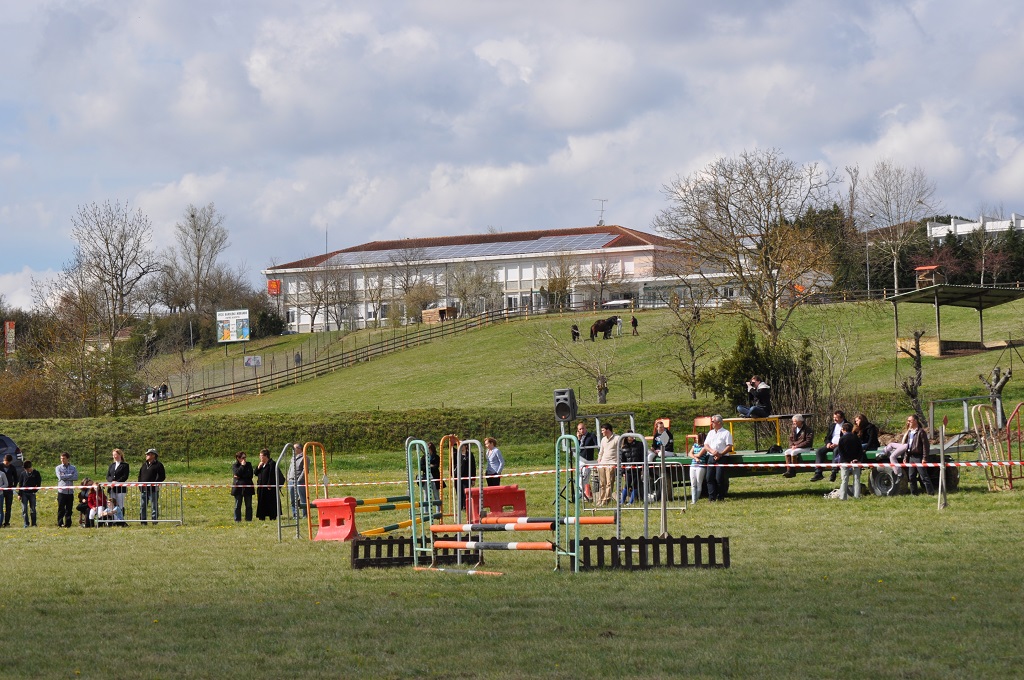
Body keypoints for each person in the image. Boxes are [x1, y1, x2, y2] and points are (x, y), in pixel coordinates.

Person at [881, 414, 931, 494]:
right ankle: (914, 494)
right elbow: (908, 446)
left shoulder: (921, 432)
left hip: (918, 456)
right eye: (908, 421)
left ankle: (930, 493)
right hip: (911, 456)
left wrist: (924, 458)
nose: (908, 422)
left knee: (923, 476)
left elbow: (926, 446)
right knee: (911, 477)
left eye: (910, 421)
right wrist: (905, 457)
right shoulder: (910, 432)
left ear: (915, 421)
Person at [702, 415, 734, 501]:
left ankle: (721, 497)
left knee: (719, 478)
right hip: (711, 457)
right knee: (709, 478)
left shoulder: (726, 433)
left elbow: (729, 446)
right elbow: (706, 445)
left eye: (713, 421)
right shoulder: (710, 433)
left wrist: (720, 454)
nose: (711, 423)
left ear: (719, 422)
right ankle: (711, 498)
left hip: (722, 457)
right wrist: (713, 452)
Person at [810, 410, 848, 482]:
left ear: (842, 418)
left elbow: (848, 438)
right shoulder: (832, 425)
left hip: (841, 445)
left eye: (836, 418)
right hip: (831, 444)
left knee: (836, 450)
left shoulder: (847, 425)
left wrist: (838, 444)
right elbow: (827, 437)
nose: (834, 419)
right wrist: (828, 443)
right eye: (834, 417)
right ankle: (818, 472)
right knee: (819, 451)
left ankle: (834, 472)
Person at [834, 422, 865, 500]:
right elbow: (860, 450)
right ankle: (857, 496)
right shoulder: (856, 438)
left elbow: (841, 452)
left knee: (844, 480)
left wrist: (847, 460)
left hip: (845, 461)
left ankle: (843, 497)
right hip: (856, 461)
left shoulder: (842, 439)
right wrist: (856, 459)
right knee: (857, 479)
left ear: (844, 430)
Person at [138, 448, 166, 524]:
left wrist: (154, 483)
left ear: (153, 455)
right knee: (143, 506)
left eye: (148, 454)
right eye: (146, 454)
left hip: (153, 489)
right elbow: (140, 476)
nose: (146, 455)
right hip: (144, 489)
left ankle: (154, 521)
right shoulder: (144, 465)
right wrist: (140, 485)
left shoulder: (159, 465)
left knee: (154, 506)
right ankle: (143, 521)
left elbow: (162, 476)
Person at [254, 448, 284, 520]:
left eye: (261, 456)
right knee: (261, 502)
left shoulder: (272, 464)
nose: (260, 457)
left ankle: (272, 516)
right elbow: (255, 473)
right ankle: (262, 516)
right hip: (261, 487)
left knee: (271, 502)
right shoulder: (262, 464)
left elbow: (272, 475)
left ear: (266, 456)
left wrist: (269, 484)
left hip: (269, 488)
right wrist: (258, 467)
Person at [596, 423, 620, 507]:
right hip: (602, 464)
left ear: (608, 430)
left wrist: (617, 462)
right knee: (602, 483)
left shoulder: (617, 438)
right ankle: (600, 500)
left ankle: (606, 501)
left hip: (611, 464)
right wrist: (599, 459)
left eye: (603, 430)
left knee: (609, 483)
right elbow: (601, 451)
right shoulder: (603, 440)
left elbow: (620, 451)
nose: (602, 432)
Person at [576, 421, 598, 501]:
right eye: (580, 429)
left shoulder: (591, 435)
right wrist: (578, 439)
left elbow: (597, 445)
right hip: (580, 459)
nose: (582, 430)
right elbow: (578, 447)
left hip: (588, 459)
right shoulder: (579, 437)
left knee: (585, 477)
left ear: (586, 428)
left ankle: (582, 494)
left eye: (583, 428)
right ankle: (580, 494)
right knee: (580, 477)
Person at [619, 433, 644, 504]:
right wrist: (623, 472)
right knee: (627, 485)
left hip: (637, 469)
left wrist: (642, 468)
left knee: (635, 485)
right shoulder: (623, 447)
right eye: (630, 436)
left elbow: (642, 456)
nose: (632, 437)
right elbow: (622, 460)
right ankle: (622, 501)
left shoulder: (639, 444)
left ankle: (631, 502)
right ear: (627, 438)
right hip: (628, 470)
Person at [55, 452, 78, 528]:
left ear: (67, 459)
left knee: (69, 509)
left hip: (70, 492)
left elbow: (76, 477)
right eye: (61, 458)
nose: (62, 460)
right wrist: (70, 475)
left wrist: (65, 476)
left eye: (64, 458)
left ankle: (68, 523)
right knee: (61, 508)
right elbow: (60, 477)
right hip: (62, 491)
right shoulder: (58, 468)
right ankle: (60, 523)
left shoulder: (73, 468)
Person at [231, 451, 255, 522]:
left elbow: (250, 475)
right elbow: (236, 473)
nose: (244, 459)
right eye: (243, 457)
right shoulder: (235, 465)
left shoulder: (249, 464)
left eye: (245, 457)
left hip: (248, 487)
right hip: (238, 488)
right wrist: (242, 466)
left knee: (249, 505)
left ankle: (248, 519)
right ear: (238, 458)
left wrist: (240, 476)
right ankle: (237, 519)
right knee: (237, 505)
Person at [688, 432, 710, 504]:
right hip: (693, 465)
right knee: (693, 483)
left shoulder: (704, 447)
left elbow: (699, 454)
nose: (696, 439)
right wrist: (695, 457)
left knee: (698, 483)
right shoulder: (694, 445)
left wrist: (694, 456)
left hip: (700, 466)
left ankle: (695, 499)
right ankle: (693, 500)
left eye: (697, 438)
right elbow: (689, 453)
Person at [18, 461, 41, 527]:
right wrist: (19, 494)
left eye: (27, 469)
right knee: (24, 509)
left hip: (32, 493)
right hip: (24, 493)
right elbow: (20, 484)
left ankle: (34, 523)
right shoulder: (22, 474)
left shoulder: (36, 473)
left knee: (33, 509)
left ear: (30, 467)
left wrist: (35, 490)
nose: (26, 470)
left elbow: (39, 484)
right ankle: (26, 523)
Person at [287, 443, 307, 518]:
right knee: (293, 499)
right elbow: (290, 468)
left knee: (302, 498)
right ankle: (295, 515)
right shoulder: (293, 458)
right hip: (291, 481)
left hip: (299, 481)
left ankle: (305, 514)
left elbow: (305, 470)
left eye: (294, 448)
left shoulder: (304, 457)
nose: (293, 450)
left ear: (299, 449)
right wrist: (289, 477)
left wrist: (299, 479)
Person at [455, 443, 476, 512]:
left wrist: (473, 479)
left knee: (466, 492)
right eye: (458, 445)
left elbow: (473, 467)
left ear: (465, 446)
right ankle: (460, 506)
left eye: (462, 445)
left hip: (467, 476)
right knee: (459, 491)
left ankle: (466, 505)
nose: (460, 447)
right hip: (457, 476)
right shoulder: (456, 454)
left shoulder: (470, 454)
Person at [0, 454, 16, 526]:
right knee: (0, 507)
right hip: (1, 489)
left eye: (8, 462)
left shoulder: (12, 468)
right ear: (4, 460)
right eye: (6, 462)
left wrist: (13, 486)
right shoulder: (0, 466)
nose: (7, 463)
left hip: (9, 489)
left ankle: (7, 522)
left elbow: (16, 478)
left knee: (8, 507)